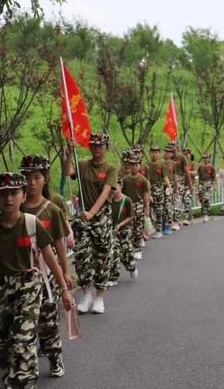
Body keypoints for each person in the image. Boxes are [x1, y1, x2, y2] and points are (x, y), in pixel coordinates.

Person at [0, 173, 72, 388]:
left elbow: (49, 256)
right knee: (2, 346)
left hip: (28, 288)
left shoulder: (32, 223)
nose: (8, 199)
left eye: (14, 193)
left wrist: (64, 288)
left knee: (22, 343)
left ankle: (26, 383)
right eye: (3, 194)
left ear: (23, 196)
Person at [19, 155, 73, 378]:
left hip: (47, 274)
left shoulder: (52, 210)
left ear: (45, 179)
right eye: (27, 178)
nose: (31, 183)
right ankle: (26, 366)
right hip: (20, 274)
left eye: (36, 178)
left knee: (47, 321)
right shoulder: (14, 208)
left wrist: (66, 272)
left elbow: (60, 244)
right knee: (22, 324)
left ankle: (54, 356)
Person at [64, 133, 118, 314]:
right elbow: (67, 171)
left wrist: (92, 213)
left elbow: (105, 193)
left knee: (102, 258)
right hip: (83, 219)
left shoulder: (110, 168)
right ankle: (86, 294)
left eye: (100, 146)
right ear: (89, 147)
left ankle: (100, 297)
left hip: (100, 218)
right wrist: (70, 151)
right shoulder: (83, 165)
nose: (97, 149)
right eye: (94, 145)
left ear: (106, 147)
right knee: (82, 257)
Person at [108, 177, 138, 283]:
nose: (113, 190)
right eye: (111, 188)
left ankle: (132, 267)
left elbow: (130, 216)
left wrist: (120, 225)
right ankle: (113, 277)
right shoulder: (109, 201)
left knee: (126, 254)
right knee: (114, 253)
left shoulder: (127, 200)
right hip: (112, 232)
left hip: (124, 231)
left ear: (121, 186)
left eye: (115, 187)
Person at [122, 152, 150, 259]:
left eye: (136, 164)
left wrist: (146, 207)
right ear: (128, 165)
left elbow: (145, 194)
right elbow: (122, 194)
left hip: (139, 205)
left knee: (138, 228)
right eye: (131, 164)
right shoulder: (125, 180)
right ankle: (129, 248)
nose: (134, 167)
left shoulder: (143, 180)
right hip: (128, 206)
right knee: (129, 228)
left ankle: (137, 249)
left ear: (139, 165)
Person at [163, 143, 180, 232]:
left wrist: (177, 188)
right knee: (166, 206)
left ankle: (175, 222)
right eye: (166, 151)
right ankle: (166, 224)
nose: (167, 153)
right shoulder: (160, 162)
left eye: (169, 152)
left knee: (174, 205)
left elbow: (175, 176)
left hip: (172, 185)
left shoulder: (173, 163)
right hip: (163, 186)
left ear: (172, 154)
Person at [176, 147, 195, 226]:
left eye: (187, 154)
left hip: (190, 185)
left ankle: (188, 218)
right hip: (182, 185)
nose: (186, 155)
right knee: (180, 202)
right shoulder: (181, 163)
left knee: (187, 200)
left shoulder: (192, 164)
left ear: (190, 155)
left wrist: (188, 172)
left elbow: (195, 173)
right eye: (184, 154)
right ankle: (179, 219)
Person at [197, 153, 216, 222]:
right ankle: (204, 210)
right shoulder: (200, 167)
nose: (205, 159)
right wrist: (198, 185)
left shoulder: (211, 167)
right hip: (201, 184)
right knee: (201, 198)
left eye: (206, 158)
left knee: (206, 198)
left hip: (208, 183)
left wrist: (215, 185)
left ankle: (206, 214)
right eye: (203, 158)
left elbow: (214, 177)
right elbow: (199, 176)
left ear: (209, 158)